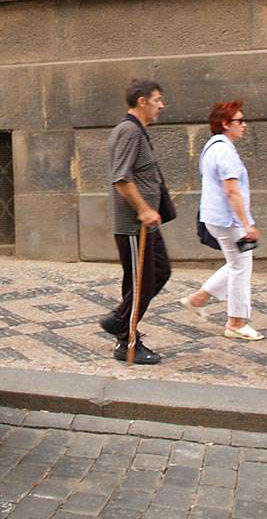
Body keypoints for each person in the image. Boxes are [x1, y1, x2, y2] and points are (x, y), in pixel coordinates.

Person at [98, 79, 172, 365]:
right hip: (133, 225)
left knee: (160, 271)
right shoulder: (129, 131)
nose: (161, 105)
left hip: (145, 224)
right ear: (142, 101)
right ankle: (126, 340)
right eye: (157, 100)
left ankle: (119, 319)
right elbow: (121, 178)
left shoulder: (136, 131)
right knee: (140, 283)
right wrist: (143, 210)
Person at [179, 101, 263, 340]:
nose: (244, 125)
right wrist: (247, 224)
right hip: (228, 220)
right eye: (239, 121)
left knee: (238, 262)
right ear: (226, 124)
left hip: (215, 217)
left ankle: (199, 298)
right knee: (240, 267)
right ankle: (236, 323)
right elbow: (232, 190)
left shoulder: (212, 147)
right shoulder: (225, 152)